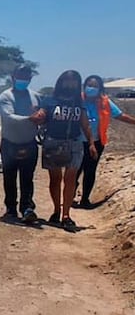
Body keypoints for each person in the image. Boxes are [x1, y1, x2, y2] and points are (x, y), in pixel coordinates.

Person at [36, 70, 97, 230]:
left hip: (74, 143)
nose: (70, 84)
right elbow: (40, 117)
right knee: (55, 179)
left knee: (70, 179)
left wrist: (91, 143)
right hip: (53, 142)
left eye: (74, 81)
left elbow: (85, 124)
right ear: (61, 82)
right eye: (67, 81)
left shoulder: (79, 102)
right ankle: (56, 211)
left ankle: (66, 214)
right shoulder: (49, 100)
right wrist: (38, 115)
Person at [74, 75, 135, 208]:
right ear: (84, 86)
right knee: (75, 170)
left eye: (95, 86)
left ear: (100, 88)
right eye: (89, 85)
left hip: (97, 142)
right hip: (76, 141)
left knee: (90, 170)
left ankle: (85, 199)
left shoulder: (105, 102)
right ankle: (70, 196)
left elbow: (119, 115)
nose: (92, 88)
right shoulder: (77, 99)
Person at [0, 65, 44, 222]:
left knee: (27, 178)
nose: (23, 80)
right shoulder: (6, 96)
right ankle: (10, 208)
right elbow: (9, 116)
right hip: (10, 144)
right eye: (20, 76)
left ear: (30, 79)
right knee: (9, 177)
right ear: (13, 76)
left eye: (26, 77)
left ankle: (27, 208)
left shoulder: (36, 96)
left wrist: (42, 117)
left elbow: (43, 112)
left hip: (29, 143)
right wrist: (29, 119)